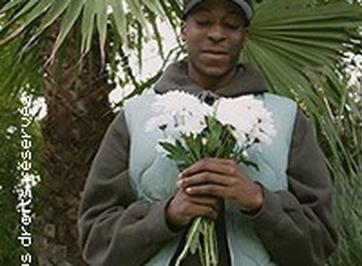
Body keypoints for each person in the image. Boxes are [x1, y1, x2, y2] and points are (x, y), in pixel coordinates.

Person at [78, 0, 338, 265]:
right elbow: (95, 240)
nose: (217, 34)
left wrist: (259, 202)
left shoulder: (284, 117)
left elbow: (319, 244)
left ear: (244, 37)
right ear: (183, 31)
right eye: (203, 22)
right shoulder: (136, 116)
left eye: (231, 25)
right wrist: (166, 217)